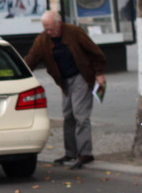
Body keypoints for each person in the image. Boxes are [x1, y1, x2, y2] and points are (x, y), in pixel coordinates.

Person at [23, 10, 107, 169]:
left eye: (51, 28)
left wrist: (100, 73)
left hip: (81, 76)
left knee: (80, 115)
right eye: (45, 28)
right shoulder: (42, 40)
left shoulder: (74, 32)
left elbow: (95, 52)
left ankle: (85, 153)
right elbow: (31, 60)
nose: (48, 32)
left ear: (59, 23)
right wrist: (20, 73)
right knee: (68, 115)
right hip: (64, 81)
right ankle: (71, 152)